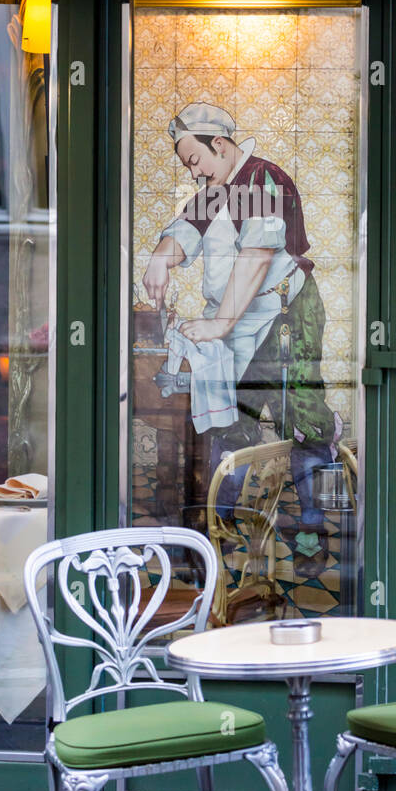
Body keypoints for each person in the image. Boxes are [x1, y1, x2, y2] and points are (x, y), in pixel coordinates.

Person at [143, 102, 339, 565]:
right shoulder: (216, 189)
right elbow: (185, 231)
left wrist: (219, 324)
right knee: (232, 422)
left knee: (301, 413)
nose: (195, 173)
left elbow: (256, 255)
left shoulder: (259, 180)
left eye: (196, 160)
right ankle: (224, 527)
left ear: (222, 145)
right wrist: (159, 259)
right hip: (239, 317)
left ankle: (310, 525)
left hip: (286, 312)